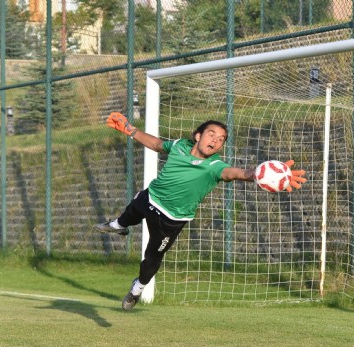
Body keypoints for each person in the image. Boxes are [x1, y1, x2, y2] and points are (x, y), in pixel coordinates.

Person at [96, 112, 307, 310]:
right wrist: (130, 129)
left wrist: (259, 173)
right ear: (198, 135)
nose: (215, 141)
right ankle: (119, 226)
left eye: (221, 139)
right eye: (211, 134)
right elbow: (156, 144)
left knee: (152, 257)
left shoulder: (214, 166)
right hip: (151, 197)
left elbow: (236, 173)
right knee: (133, 209)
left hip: (171, 219)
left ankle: (137, 289)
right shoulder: (180, 145)